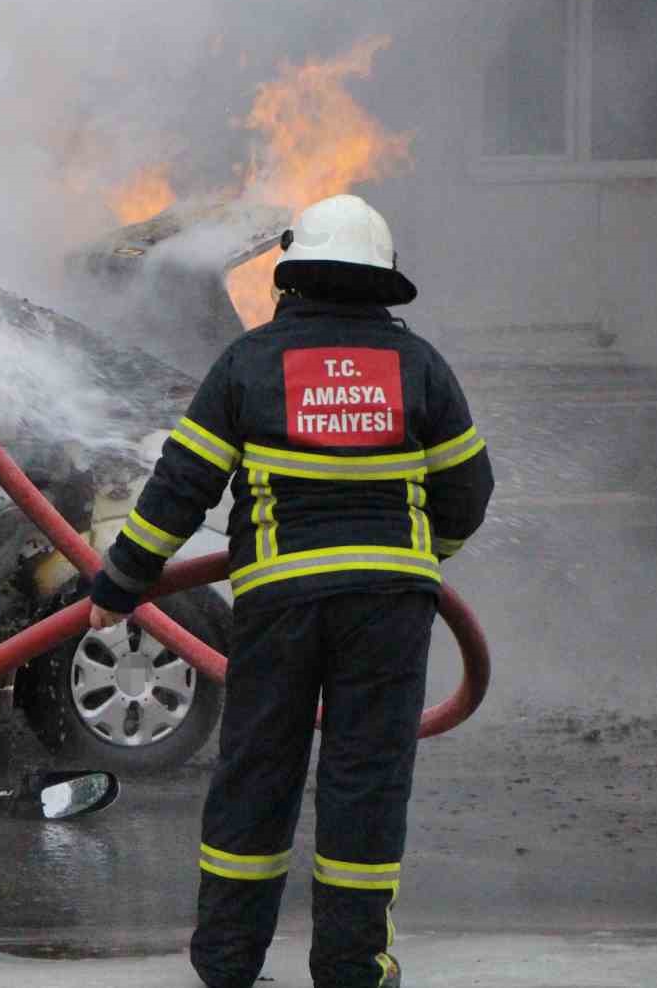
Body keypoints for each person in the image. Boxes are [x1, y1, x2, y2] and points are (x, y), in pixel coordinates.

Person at [87, 194, 494, 988]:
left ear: (290, 275)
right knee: (365, 780)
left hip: (279, 604)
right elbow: (468, 492)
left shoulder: (249, 362)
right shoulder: (420, 366)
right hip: (388, 608)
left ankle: (227, 961)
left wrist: (121, 582)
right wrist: (422, 560)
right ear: (383, 281)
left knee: (257, 772)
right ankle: (350, 966)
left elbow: (181, 486)